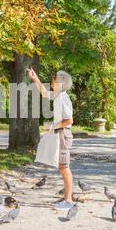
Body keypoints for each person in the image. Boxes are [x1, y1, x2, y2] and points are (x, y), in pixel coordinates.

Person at [27, 68, 74, 210]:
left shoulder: (63, 98)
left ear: (59, 83)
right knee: (62, 167)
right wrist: (35, 78)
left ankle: (69, 200)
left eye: (54, 79)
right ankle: (66, 197)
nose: (52, 81)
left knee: (64, 168)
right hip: (60, 133)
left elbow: (69, 120)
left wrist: (51, 127)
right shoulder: (59, 95)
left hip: (63, 134)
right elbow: (44, 93)